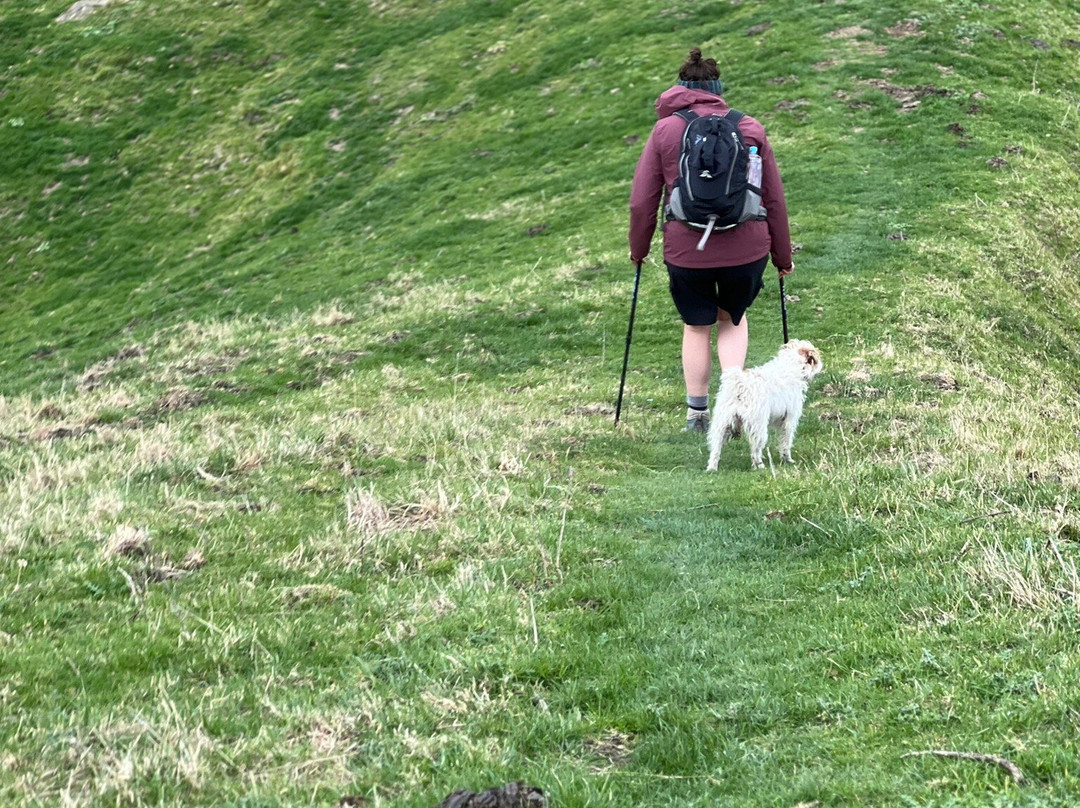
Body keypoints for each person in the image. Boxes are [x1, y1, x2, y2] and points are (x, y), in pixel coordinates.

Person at [629, 47, 794, 433]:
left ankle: (698, 415)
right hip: (746, 247)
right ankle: (736, 408)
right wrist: (782, 256)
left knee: (696, 325)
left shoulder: (666, 130)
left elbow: (642, 201)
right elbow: (773, 198)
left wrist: (639, 249)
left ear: (679, 88)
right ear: (718, 89)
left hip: (687, 251)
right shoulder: (749, 127)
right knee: (732, 319)